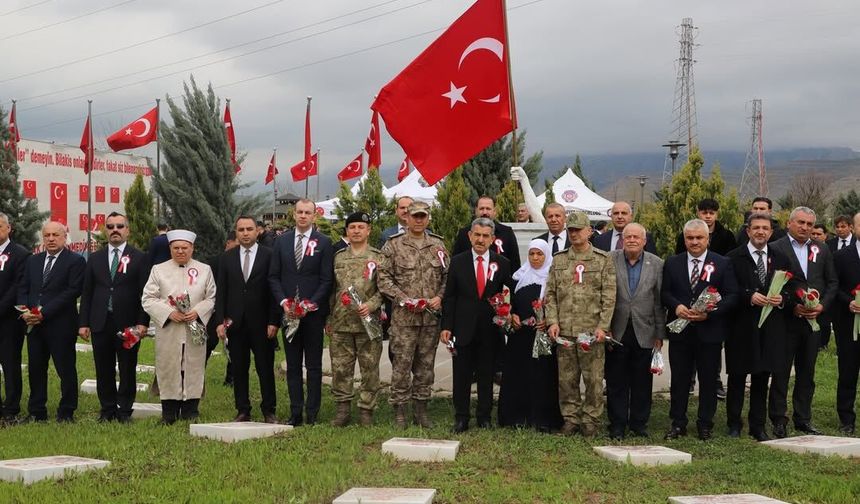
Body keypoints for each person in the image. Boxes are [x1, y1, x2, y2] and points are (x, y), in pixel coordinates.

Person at [662, 219, 738, 441]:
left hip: (710, 332)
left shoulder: (722, 263)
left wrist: (711, 312)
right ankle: (678, 423)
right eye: (690, 238)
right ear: (684, 239)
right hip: (681, 332)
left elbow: (732, 295)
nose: (694, 242)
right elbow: (665, 292)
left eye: (699, 238)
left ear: (708, 239)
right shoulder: (672, 263)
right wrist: (676, 306)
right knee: (679, 380)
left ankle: (705, 424)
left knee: (708, 380)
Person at [545, 211, 616, 438]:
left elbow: (609, 297)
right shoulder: (559, 259)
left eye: (578, 230)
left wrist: (603, 327)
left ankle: (591, 421)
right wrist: (552, 322)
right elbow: (551, 295)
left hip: (591, 333)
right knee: (566, 380)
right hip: (565, 331)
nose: (574, 234)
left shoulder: (603, 260)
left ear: (589, 231)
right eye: (571, 230)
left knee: (594, 380)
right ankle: (571, 419)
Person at [378, 201, 448, 429]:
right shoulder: (393, 246)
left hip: (429, 320)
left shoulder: (438, 245)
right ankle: (400, 411)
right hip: (404, 320)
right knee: (401, 366)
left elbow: (449, 276)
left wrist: (440, 297)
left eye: (423, 216)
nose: (419, 220)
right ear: (406, 218)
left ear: (428, 218)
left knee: (425, 367)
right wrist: (403, 298)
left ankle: (421, 410)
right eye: (415, 216)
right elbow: (383, 278)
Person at [769, 207, 838, 437]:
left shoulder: (822, 249)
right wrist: (792, 306)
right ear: (789, 223)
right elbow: (773, 284)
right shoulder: (776, 248)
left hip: (813, 322)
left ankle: (803, 418)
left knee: (807, 372)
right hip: (786, 321)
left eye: (809, 224)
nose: (805, 227)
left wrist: (821, 306)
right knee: (780, 371)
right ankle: (779, 418)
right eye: (800, 222)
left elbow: (832, 282)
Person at [725, 213, 793, 441]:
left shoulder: (781, 257)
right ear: (748, 230)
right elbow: (728, 290)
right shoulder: (733, 257)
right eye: (756, 228)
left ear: (771, 232)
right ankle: (734, 423)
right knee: (737, 376)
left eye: (765, 228)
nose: (760, 232)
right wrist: (748, 296)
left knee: (762, 377)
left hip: (770, 328)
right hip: (741, 327)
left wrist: (782, 298)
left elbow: (792, 289)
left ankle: (758, 425)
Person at [78, 212, 150, 423]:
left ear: (127, 230)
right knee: (103, 367)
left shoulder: (140, 257)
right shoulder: (95, 258)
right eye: (110, 226)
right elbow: (87, 292)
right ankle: (107, 408)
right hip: (100, 321)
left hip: (128, 323)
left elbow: (145, 293)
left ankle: (124, 409)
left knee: (127, 368)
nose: (115, 230)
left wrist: (142, 322)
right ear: (105, 230)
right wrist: (83, 323)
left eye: (120, 226)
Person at [441, 218, 512, 432]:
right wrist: (446, 326)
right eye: (477, 235)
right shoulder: (458, 262)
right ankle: (461, 417)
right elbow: (450, 296)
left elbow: (506, 295)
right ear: (470, 236)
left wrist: (505, 313)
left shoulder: (502, 263)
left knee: (486, 375)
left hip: (490, 329)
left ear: (492, 239)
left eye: (485, 236)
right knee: (461, 375)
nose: (480, 240)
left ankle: (484, 416)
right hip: (462, 328)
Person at [268, 198, 333, 426]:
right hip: (289, 314)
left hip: (313, 315)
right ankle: (295, 413)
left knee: (313, 365)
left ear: (314, 216)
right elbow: (274, 276)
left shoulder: (324, 242)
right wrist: (284, 302)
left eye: (308, 212)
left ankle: (312, 413)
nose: (303, 216)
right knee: (293, 364)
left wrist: (310, 304)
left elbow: (327, 280)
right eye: (300, 212)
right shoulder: (281, 242)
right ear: (293, 215)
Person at [142, 230, 216, 424]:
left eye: (184, 248)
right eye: (176, 248)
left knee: (193, 365)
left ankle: (191, 409)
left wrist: (198, 311)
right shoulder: (158, 270)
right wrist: (168, 313)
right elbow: (148, 298)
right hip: (170, 328)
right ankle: (169, 412)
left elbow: (211, 297)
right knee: (168, 365)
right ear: (170, 249)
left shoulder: (204, 269)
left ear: (192, 248)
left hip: (195, 326)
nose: (180, 251)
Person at [18, 221, 85, 422]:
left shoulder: (75, 261)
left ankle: (66, 412)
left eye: (56, 235)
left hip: (60, 325)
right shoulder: (33, 260)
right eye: (47, 235)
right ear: (42, 237)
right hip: (34, 325)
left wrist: (44, 312)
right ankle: (37, 411)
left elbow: (72, 292)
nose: (51, 239)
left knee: (65, 370)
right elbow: (23, 287)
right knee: (36, 369)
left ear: (64, 237)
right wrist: (24, 310)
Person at [215, 216, 279, 424]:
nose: (245, 233)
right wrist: (220, 321)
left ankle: (269, 409)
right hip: (235, 323)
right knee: (239, 368)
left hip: (262, 323)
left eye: (249, 229)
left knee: (265, 368)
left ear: (257, 231)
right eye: (241, 229)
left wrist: (273, 321)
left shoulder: (270, 255)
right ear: (236, 231)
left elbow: (273, 291)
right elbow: (221, 290)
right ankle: (243, 409)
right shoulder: (227, 258)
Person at [496, 239, 563, 432]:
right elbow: (511, 304)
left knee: (543, 375)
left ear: (546, 255)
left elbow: (558, 302)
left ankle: (542, 419)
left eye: (539, 254)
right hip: (520, 336)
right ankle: (516, 416)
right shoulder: (518, 277)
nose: (535, 258)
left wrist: (549, 320)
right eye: (532, 254)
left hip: (543, 336)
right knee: (519, 374)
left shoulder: (553, 277)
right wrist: (513, 315)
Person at [605, 223, 665, 440]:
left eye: (636, 237)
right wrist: (605, 327)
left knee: (642, 382)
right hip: (616, 330)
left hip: (645, 330)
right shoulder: (609, 259)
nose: (631, 240)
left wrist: (659, 334)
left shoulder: (657, 264)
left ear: (644, 241)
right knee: (616, 381)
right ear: (622, 239)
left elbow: (659, 302)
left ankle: (639, 424)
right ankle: (617, 425)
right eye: (627, 236)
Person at [328, 212, 385, 427]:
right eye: (352, 227)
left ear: (369, 230)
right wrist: (329, 317)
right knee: (341, 369)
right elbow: (332, 290)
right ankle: (342, 410)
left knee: (370, 369)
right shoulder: (338, 257)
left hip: (368, 323)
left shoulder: (378, 257)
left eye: (361, 227)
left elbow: (385, 289)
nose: (357, 231)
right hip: (341, 323)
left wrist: (371, 305)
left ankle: (366, 411)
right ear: (347, 231)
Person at [0, 213, 31, 424]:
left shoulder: (20, 254)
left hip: (8, 320)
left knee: (10, 364)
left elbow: (17, 287)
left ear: (9, 228)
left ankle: (11, 408)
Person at [833, 212, 860, 436]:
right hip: (848, 324)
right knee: (848, 372)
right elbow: (835, 287)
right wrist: (849, 302)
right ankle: (846, 419)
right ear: (854, 227)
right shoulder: (842, 256)